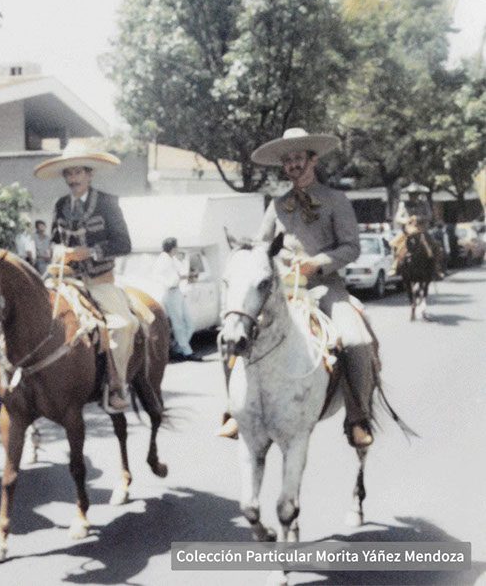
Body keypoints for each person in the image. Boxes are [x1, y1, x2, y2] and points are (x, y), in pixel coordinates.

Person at [223, 128, 377, 447]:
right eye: (288, 160)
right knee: (232, 332)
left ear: (313, 160)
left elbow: (351, 247)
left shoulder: (336, 200)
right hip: (282, 291)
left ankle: (358, 417)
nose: (293, 164)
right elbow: (261, 246)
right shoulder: (276, 206)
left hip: (324, 287)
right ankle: (235, 411)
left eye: (298, 158)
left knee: (356, 339)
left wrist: (317, 263)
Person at [34, 141, 135, 412]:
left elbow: (124, 244)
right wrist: (60, 252)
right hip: (65, 280)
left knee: (122, 325)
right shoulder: (60, 205)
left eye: (78, 172)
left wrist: (89, 251)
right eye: (68, 174)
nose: (73, 178)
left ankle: (117, 385)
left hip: (99, 280)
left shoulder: (107, 202)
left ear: (90, 174)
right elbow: (54, 240)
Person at [154, 237, 202, 362]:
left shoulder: (172, 258)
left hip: (177, 292)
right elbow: (166, 278)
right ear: (172, 247)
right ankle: (188, 352)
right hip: (170, 293)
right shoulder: (162, 260)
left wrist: (189, 275)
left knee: (190, 324)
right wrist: (181, 278)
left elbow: (180, 274)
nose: (177, 249)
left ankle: (177, 349)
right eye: (176, 247)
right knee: (178, 325)